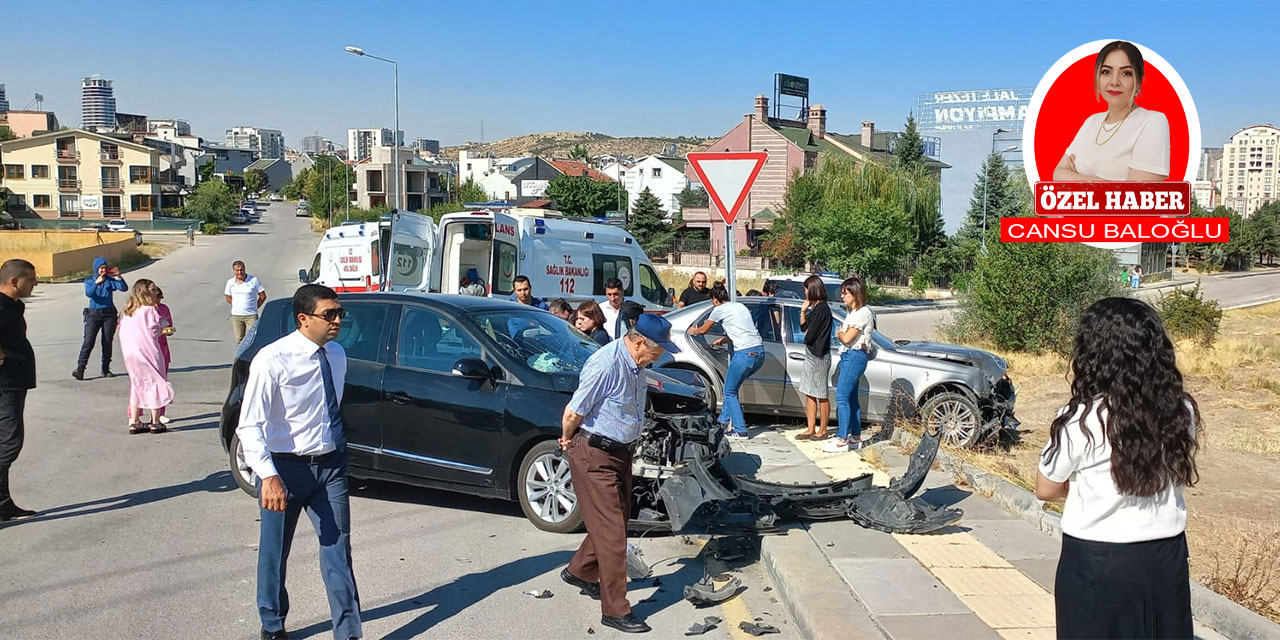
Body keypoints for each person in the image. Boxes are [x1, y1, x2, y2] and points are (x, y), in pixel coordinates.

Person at [1036, 297, 1199, 639]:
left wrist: (1085, 489)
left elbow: (1046, 489)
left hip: (1097, 561)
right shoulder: (1181, 411)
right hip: (1165, 556)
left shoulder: (1081, 419)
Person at [237, 284, 362, 640]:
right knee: (275, 555)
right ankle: (273, 625)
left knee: (338, 551)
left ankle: (349, 632)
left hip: (330, 467)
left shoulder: (336, 355)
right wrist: (268, 476)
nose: (338, 320)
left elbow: (331, 408)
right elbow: (249, 424)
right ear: (304, 319)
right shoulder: (272, 359)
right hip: (284, 469)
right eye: (330, 314)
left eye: (340, 314)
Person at [558, 314, 679, 635]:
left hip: (620, 453)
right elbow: (573, 411)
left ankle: (581, 571)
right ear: (639, 342)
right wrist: (568, 440)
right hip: (595, 453)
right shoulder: (606, 365)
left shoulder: (637, 364)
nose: (660, 356)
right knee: (613, 535)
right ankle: (615, 610)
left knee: (615, 521)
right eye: (657, 351)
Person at [1054, 40, 1170, 183]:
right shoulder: (1092, 122)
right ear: (1098, 78)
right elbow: (1058, 174)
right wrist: (1104, 183)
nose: (1114, 81)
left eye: (1126, 73)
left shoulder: (1152, 122)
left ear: (1138, 81)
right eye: (1106, 72)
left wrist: (1076, 178)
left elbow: (1136, 197)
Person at [688, 283, 764, 440]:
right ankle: (722, 423)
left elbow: (703, 330)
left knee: (729, 392)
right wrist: (723, 340)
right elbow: (742, 331)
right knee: (732, 389)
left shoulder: (718, 310)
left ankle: (741, 430)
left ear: (715, 300)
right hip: (759, 352)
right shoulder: (740, 307)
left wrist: (693, 330)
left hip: (744, 354)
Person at [0, 259, 38, 521]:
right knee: (9, 443)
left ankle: (3, 503)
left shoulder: (14, 305)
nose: (35, 283)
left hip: (14, 381)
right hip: (5, 384)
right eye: (30, 279)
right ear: (14, 281)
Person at [825, 276, 875, 453]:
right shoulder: (852, 313)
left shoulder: (863, 313)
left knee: (842, 397)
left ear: (855, 293)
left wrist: (839, 334)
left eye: (845, 293)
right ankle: (855, 436)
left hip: (855, 355)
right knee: (852, 398)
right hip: (849, 355)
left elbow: (847, 337)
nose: (842, 297)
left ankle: (842, 438)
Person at [118, 280, 175, 434]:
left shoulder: (129, 311)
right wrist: (163, 328)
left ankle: (134, 422)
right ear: (144, 292)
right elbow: (156, 330)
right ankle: (155, 422)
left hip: (130, 353)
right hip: (148, 351)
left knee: (137, 384)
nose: (156, 292)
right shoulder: (150, 311)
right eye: (153, 289)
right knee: (156, 383)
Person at [74, 256, 128, 380]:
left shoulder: (109, 280)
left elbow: (123, 288)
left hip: (109, 314)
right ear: (96, 269)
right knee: (88, 341)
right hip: (94, 314)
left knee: (107, 341)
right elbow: (89, 293)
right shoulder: (90, 281)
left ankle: (105, 369)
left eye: (105, 267)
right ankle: (80, 368)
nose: (103, 270)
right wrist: (96, 283)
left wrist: (119, 276)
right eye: (101, 268)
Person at [797, 275, 833, 441]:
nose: (805, 292)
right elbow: (804, 326)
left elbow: (809, 335)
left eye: (806, 289)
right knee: (809, 391)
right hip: (811, 354)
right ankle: (811, 427)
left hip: (820, 355)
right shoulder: (814, 308)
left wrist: (807, 333)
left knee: (820, 393)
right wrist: (803, 311)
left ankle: (823, 429)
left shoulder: (822, 309)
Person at [226, 260, 266, 345]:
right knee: (240, 341)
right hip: (236, 316)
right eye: (237, 270)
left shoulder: (253, 280)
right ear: (234, 271)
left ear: (245, 269)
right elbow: (228, 297)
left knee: (253, 339)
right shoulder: (230, 282)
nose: (240, 272)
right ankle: (241, 358)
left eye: (242, 270)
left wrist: (255, 307)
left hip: (251, 315)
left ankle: (253, 357)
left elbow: (262, 296)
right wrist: (236, 304)